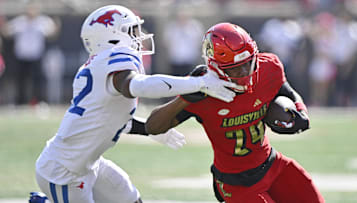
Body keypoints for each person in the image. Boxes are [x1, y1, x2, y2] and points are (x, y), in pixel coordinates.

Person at [33, 5, 237, 203]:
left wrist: (150, 130)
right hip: (64, 172)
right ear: (112, 35)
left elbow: (110, 120)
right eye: (132, 30)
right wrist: (198, 83)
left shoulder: (97, 66)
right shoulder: (115, 59)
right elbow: (135, 86)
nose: (138, 36)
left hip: (88, 163)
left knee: (131, 198)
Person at [145, 23, 325, 203]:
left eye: (248, 63)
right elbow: (152, 126)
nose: (245, 72)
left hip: (273, 165)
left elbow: (288, 93)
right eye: (235, 68)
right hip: (235, 183)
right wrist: (184, 98)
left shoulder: (268, 68)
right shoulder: (201, 89)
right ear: (214, 66)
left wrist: (300, 111)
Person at [2, 3, 58, 105]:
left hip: (36, 55)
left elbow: (52, 33)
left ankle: (38, 101)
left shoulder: (43, 21)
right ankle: (20, 102)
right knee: (21, 80)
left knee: (38, 80)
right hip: (22, 56)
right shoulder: (20, 21)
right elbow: (7, 32)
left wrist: (56, 26)